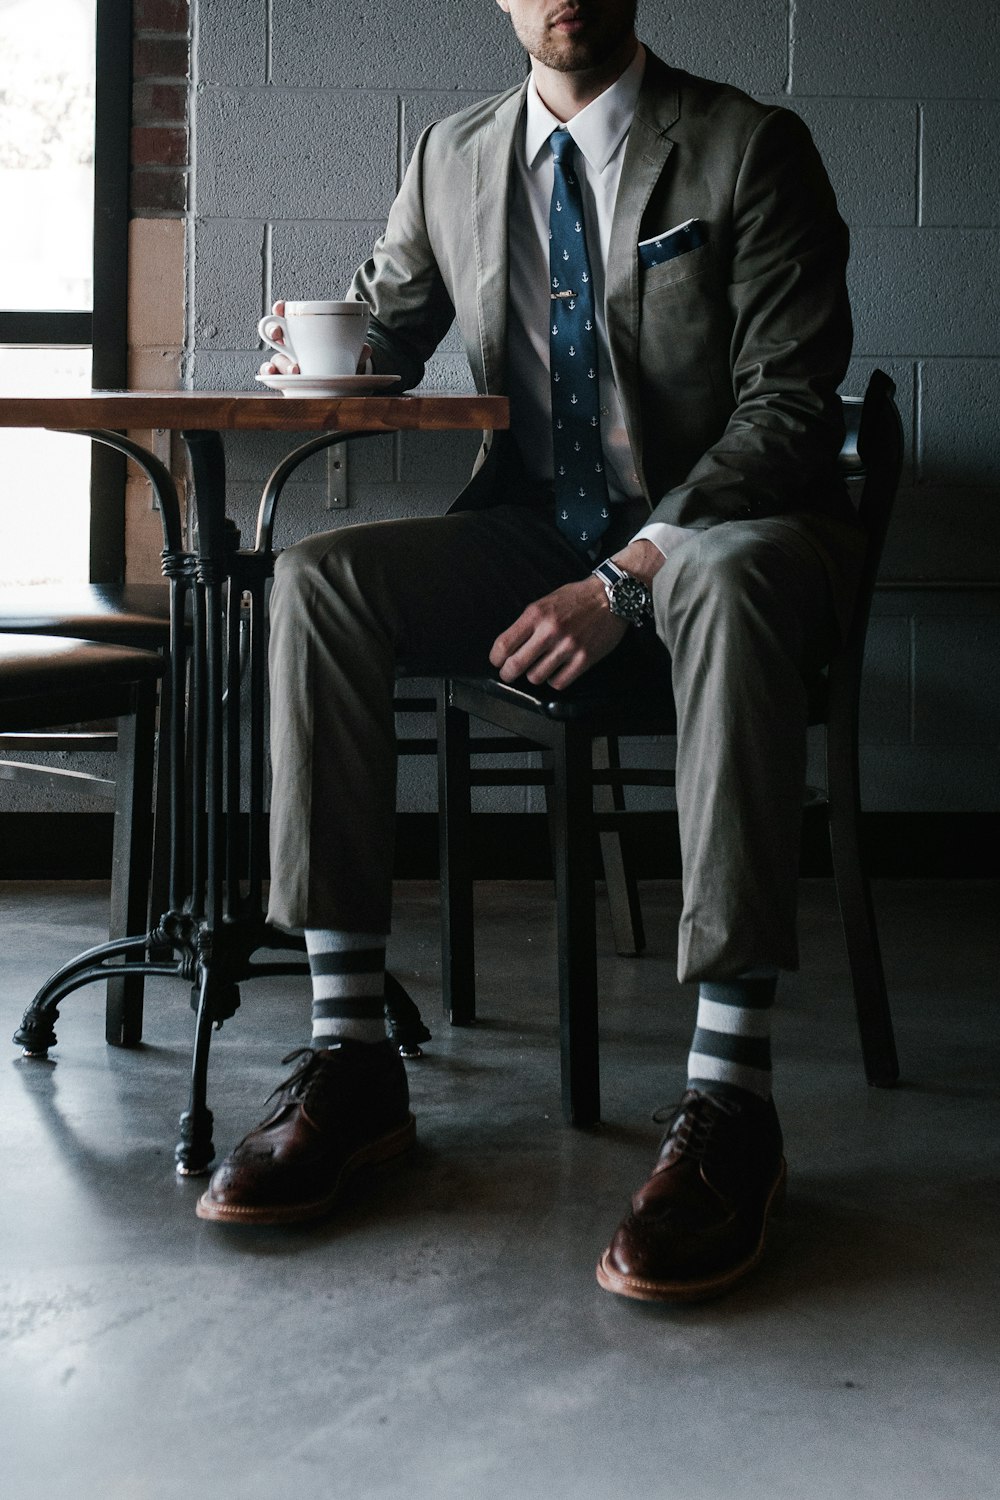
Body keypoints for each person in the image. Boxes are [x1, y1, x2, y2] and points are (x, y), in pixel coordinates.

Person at [197, 0, 862, 1304]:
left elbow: (791, 403)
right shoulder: (453, 153)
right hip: (527, 528)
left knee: (716, 582)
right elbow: (388, 331)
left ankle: (731, 1102)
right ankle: (351, 1060)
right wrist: (322, 355)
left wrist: (623, 579)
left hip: (724, 534)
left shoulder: (747, 146)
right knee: (318, 581)